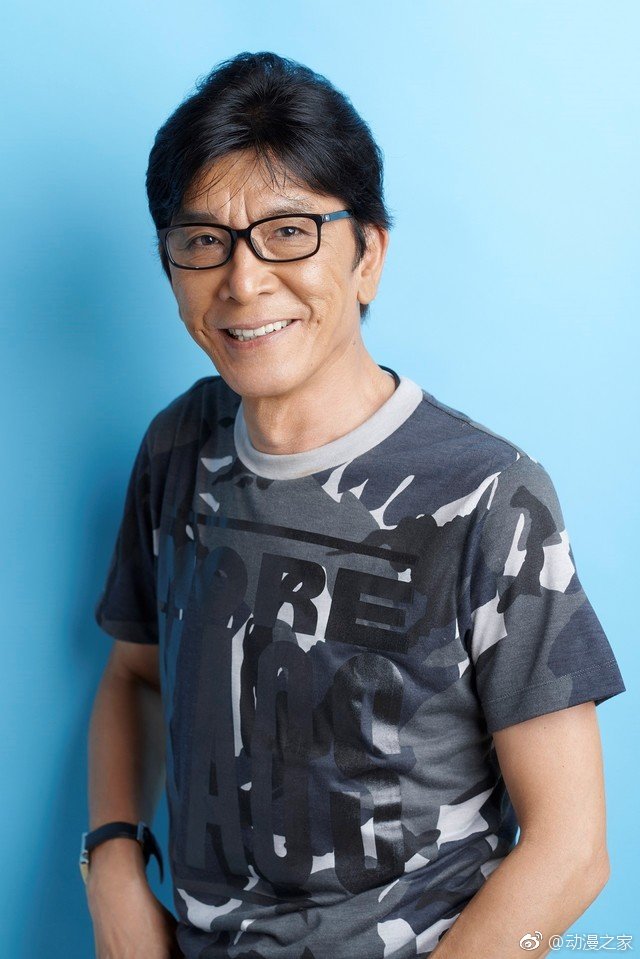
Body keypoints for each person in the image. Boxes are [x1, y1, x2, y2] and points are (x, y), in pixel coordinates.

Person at [82, 51, 626, 959]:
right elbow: (133, 673)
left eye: (289, 232)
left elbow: (573, 851)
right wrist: (111, 868)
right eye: (204, 241)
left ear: (368, 253)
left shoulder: (488, 494)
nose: (244, 280)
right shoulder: (178, 446)